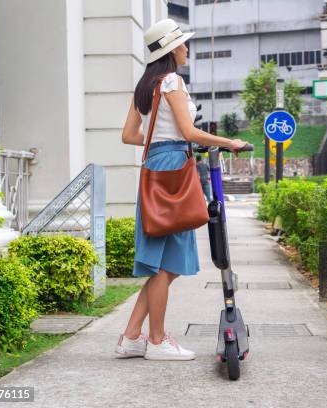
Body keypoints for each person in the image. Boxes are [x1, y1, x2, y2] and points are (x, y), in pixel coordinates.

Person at [116, 18, 247, 361]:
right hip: (174, 168)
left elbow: (129, 135)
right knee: (166, 264)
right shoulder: (173, 81)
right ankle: (156, 340)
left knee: (166, 263)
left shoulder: (145, 85)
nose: (186, 48)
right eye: (183, 43)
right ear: (172, 49)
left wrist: (160, 140)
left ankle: (132, 337)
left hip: (155, 168)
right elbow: (189, 132)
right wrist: (227, 141)